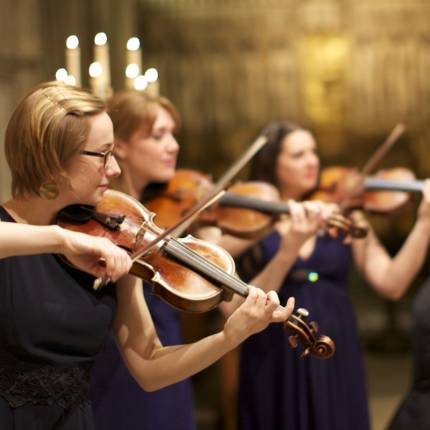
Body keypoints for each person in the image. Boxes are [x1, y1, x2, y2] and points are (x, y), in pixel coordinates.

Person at [0, 82, 294, 430]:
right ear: (54, 159)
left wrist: (229, 337)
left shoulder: (108, 239)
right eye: (103, 154)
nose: (115, 170)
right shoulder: (28, 236)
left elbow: (150, 365)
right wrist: (60, 240)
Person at [219, 120, 430, 430]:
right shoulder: (256, 217)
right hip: (273, 347)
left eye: (314, 151)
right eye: (298, 154)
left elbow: (392, 283)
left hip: (335, 340)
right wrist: (288, 249)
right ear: (271, 163)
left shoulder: (344, 213)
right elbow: (229, 304)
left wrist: (425, 223)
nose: (313, 161)